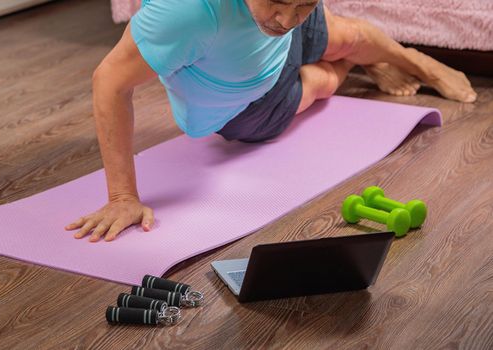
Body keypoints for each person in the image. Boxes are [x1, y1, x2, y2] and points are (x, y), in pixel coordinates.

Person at [65, 0, 477, 242]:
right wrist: (122, 197)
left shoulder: (285, 12)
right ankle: (352, 64)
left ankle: (416, 61)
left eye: (305, 3)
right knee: (321, 82)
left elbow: (287, 12)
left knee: (349, 32)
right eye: (279, 1)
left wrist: (291, 8)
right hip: (251, 108)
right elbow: (109, 82)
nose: (287, 17)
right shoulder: (186, 13)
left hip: (268, 45)